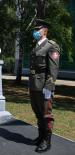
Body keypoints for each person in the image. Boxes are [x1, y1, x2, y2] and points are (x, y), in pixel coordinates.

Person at [29, 19, 60, 153]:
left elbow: (53, 69)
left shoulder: (51, 46)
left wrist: (49, 87)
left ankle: (47, 141)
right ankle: (41, 136)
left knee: (46, 114)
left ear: (45, 30)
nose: (35, 32)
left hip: (44, 86)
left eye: (38, 29)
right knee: (38, 113)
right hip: (34, 85)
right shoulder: (36, 46)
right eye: (35, 29)